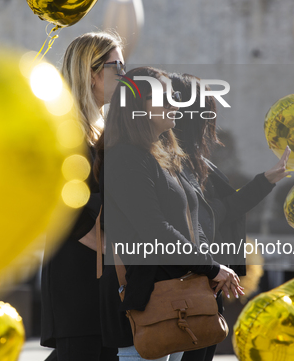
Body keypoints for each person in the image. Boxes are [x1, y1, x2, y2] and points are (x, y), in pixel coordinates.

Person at [94, 67, 244, 361]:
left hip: (179, 295)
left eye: (175, 96)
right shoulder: (126, 157)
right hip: (148, 297)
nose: (176, 104)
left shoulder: (163, 157)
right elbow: (155, 230)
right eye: (166, 97)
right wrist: (212, 268)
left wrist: (207, 268)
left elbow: (193, 220)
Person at [169, 73, 290, 361]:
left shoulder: (192, 162)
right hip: (189, 285)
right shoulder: (174, 163)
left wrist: (266, 180)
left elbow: (221, 209)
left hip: (201, 283)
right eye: (209, 110)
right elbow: (208, 216)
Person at [40, 31, 124, 361]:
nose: (124, 75)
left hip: (101, 283)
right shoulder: (62, 130)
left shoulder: (100, 131)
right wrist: (116, 250)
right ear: (92, 73)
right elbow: (66, 208)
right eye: (118, 66)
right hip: (76, 282)